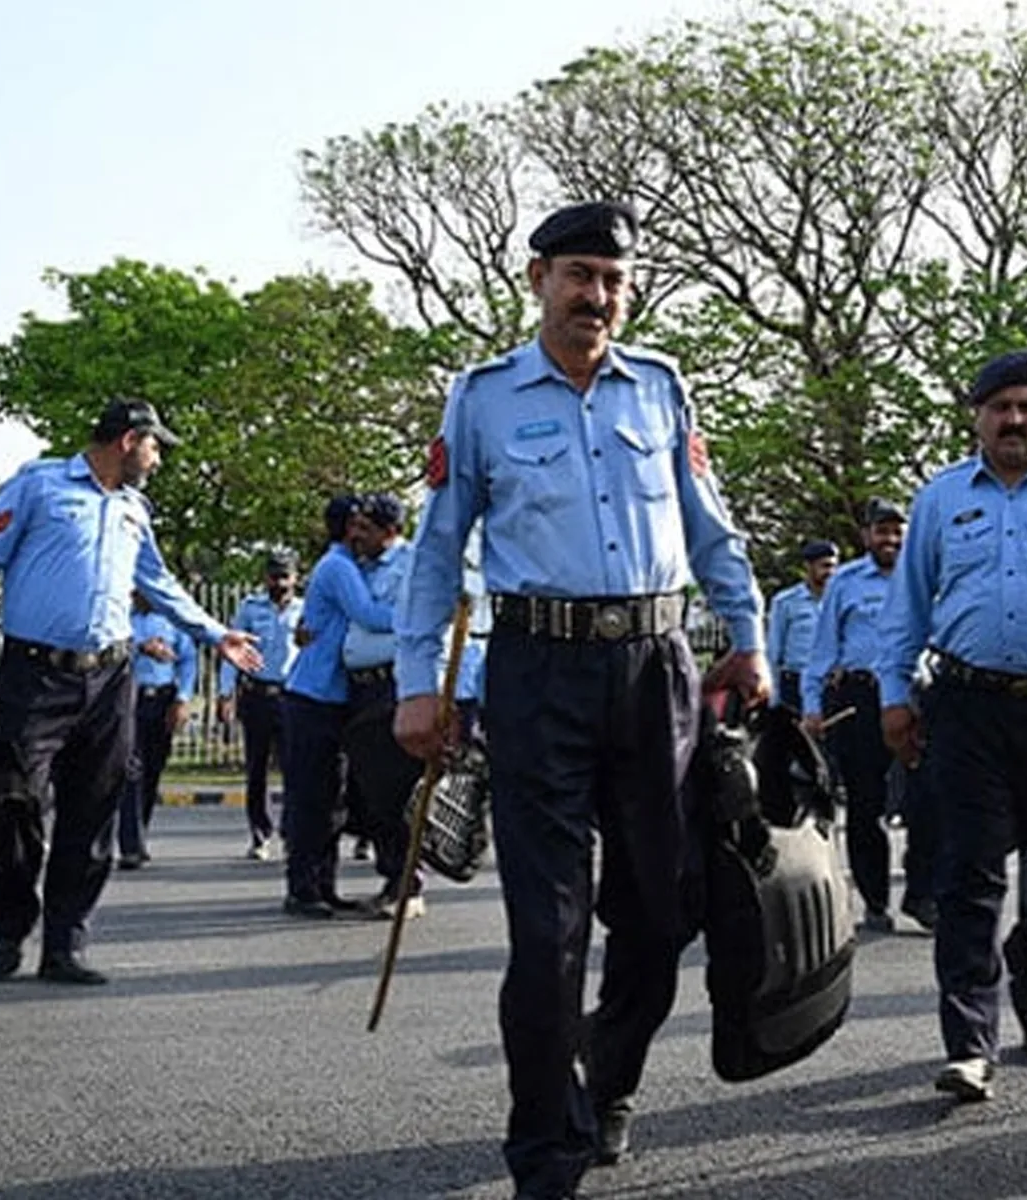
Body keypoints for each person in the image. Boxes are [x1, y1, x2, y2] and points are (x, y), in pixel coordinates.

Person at [392, 200, 769, 1200]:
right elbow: (436, 551)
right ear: (538, 281)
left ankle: (610, 1079)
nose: (595, 296)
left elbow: (712, 527)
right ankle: (546, 1154)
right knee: (547, 929)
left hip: (656, 670)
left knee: (662, 911)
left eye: (612, 281)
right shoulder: (480, 399)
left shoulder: (662, 389)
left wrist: (749, 637)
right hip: (537, 673)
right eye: (578, 276)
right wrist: (418, 685)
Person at [0, 398, 259, 984]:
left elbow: (159, 582)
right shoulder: (38, 485)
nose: (157, 460)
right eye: (154, 448)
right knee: (14, 807)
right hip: (34, 677)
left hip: (110, 680)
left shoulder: (134, 509)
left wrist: (215, 634)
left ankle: (65, 943)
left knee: (93, 813)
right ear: (128, 441)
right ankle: (10, 928)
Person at [876, 349, 1027, 1103]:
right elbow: (907, 606)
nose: (1014, 420)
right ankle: (969, 1043)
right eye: (1001, 408)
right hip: (965, 708)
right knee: (970, 877)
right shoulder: (939, 499)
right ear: (978, 418)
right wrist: (894, 696)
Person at [800, 499, 934, 934]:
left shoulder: (927, 574)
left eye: (897, 531)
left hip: (918, 697)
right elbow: (823, 650)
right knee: (865, 805)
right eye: (882, 531)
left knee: (930, 798)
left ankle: (922, 893)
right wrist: (812, 706)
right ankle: (875, 901)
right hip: (861, 699)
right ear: (866, 536)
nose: (890, 539)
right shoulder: (845, 583)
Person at [280, 494, 394, 919]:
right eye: (359, 524)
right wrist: (423, 615)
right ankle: (302, 888)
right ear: (348, 528)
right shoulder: (339, 567)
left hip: (331, 697)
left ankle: (322, 886)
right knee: (311, 799)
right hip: (314, 696)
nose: (363, 532)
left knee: (331, 799)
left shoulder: (348, 566)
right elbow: (369, 615)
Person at [339, 492, 425, 920]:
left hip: (393, 684)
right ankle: (391, 877)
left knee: (395, 792)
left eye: (366, 528)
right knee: (371, 794)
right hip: (359, 688)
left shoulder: (410, 565)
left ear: (390, 531)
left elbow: (416, 620)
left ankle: (408, 885)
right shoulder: (358, 568)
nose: (356, 534)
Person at [219, 553, 302, 860]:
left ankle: (292, 832)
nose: (279, 583)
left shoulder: (304, 610)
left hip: (291, 695)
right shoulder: (250, 608)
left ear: (295, 578)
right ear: (265, 578)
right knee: (257, 769)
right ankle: (259, 834)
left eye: (285, 576)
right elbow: (233, 650)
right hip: (256, 694)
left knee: (295, 768)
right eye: (274, 576)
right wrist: (225, 692)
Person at [114, 590, 197, 869]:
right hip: (129, 698)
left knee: (152, 769)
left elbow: (188, 660)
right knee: (131, 769)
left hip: (162, 699)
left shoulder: (173, 621)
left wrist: (182, 699)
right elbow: (109, 650)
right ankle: (130, 846)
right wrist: (140, 647)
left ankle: (140, 833)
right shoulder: (122, 618)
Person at [766, 539, 837, 710]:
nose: (831, 572)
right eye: (825, 566)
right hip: (795, 683)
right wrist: (774, 693)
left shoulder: (840, 602)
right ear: (808, 566)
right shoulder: (786, 602)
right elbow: (774, 651)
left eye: (834, 566)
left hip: (830, 684)